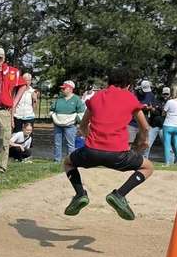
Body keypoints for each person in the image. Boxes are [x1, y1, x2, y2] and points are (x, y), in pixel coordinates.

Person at [62, 67, 154, 220]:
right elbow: (144, 127)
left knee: (68, 163)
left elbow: (83, 126)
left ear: (108, 82)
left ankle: (79, 194)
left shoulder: (97, 97)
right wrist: (143, 141)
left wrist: (90, 140)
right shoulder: (130, 97)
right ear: (128, 85)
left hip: (91, 151)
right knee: (148, 167)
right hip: (118, 154)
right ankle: (120, 195)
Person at [50, 80, 84, 162]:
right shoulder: (59, 99)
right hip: (58, 125)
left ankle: (70, 161)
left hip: (70, 126)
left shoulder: (76, 99)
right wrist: (53, 117)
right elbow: (52, 109)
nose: (62, 90)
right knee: (57, 143)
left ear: (70, 89)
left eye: (64, 88)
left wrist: (76, 120)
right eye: (62, 88)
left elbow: (81, 112)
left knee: (70, 144)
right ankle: (57, 160)